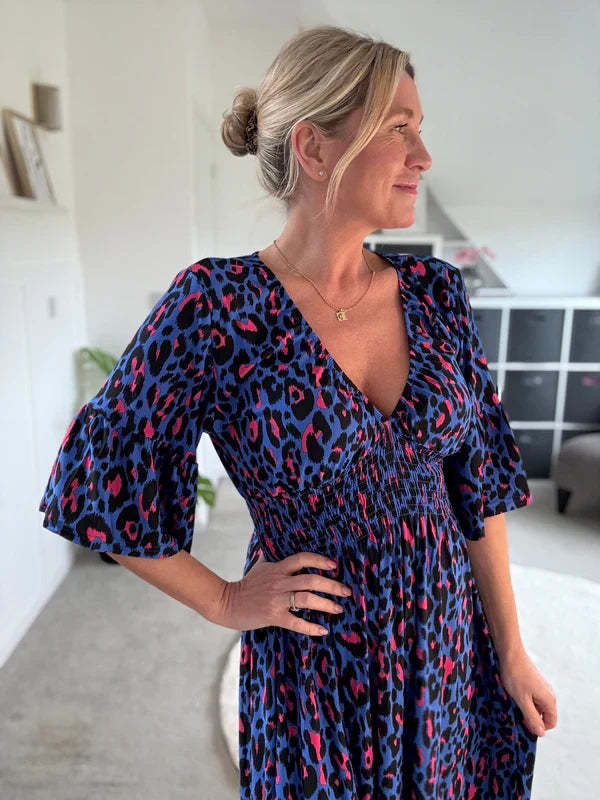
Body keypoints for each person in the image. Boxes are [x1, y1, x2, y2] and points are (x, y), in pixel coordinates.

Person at [38, 23, 557, 800]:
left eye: (421, 129)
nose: (423, 157)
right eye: (399, 128)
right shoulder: (216, 307)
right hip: (316, 669)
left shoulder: (438, 296)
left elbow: (476, 492)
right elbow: (94, 485)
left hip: (448, 645)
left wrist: (511, 650)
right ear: (315, 149)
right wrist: (224, 600)